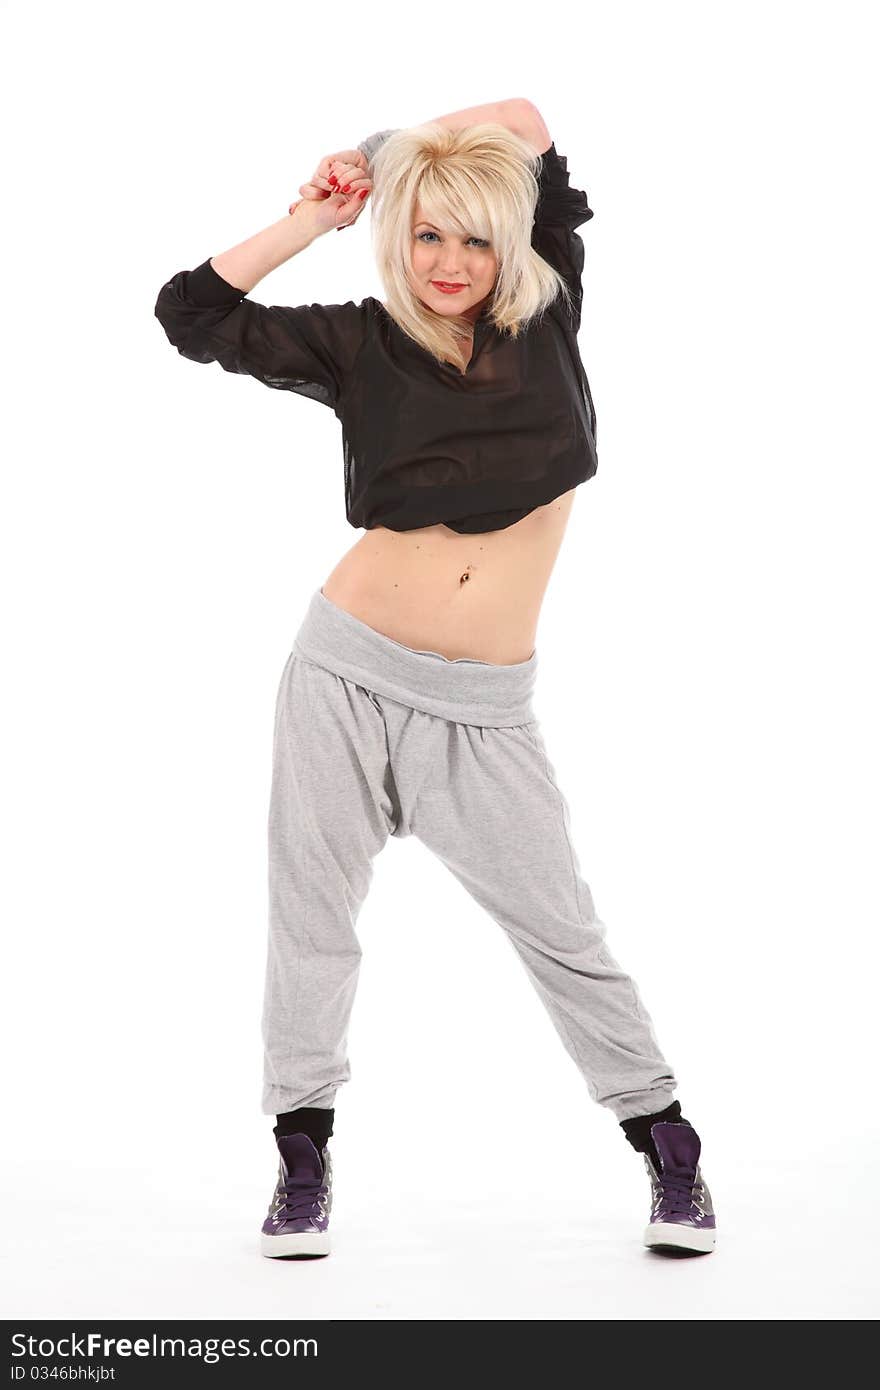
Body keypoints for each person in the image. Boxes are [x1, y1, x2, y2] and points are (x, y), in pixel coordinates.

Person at [154, 97, 716, 1260]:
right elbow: (191, 313)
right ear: (396, 238)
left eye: (471, 237)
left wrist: (386, 146)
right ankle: (301, 1159)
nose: (449, 261)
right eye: (425, 234)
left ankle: (668, 1146)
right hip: (343, 672)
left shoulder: (548, 300)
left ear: (510, 241)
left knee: (560, 926)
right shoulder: (357, 339)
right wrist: (320, 209)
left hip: (482, 710)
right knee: (310, 921)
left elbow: (519, 115)